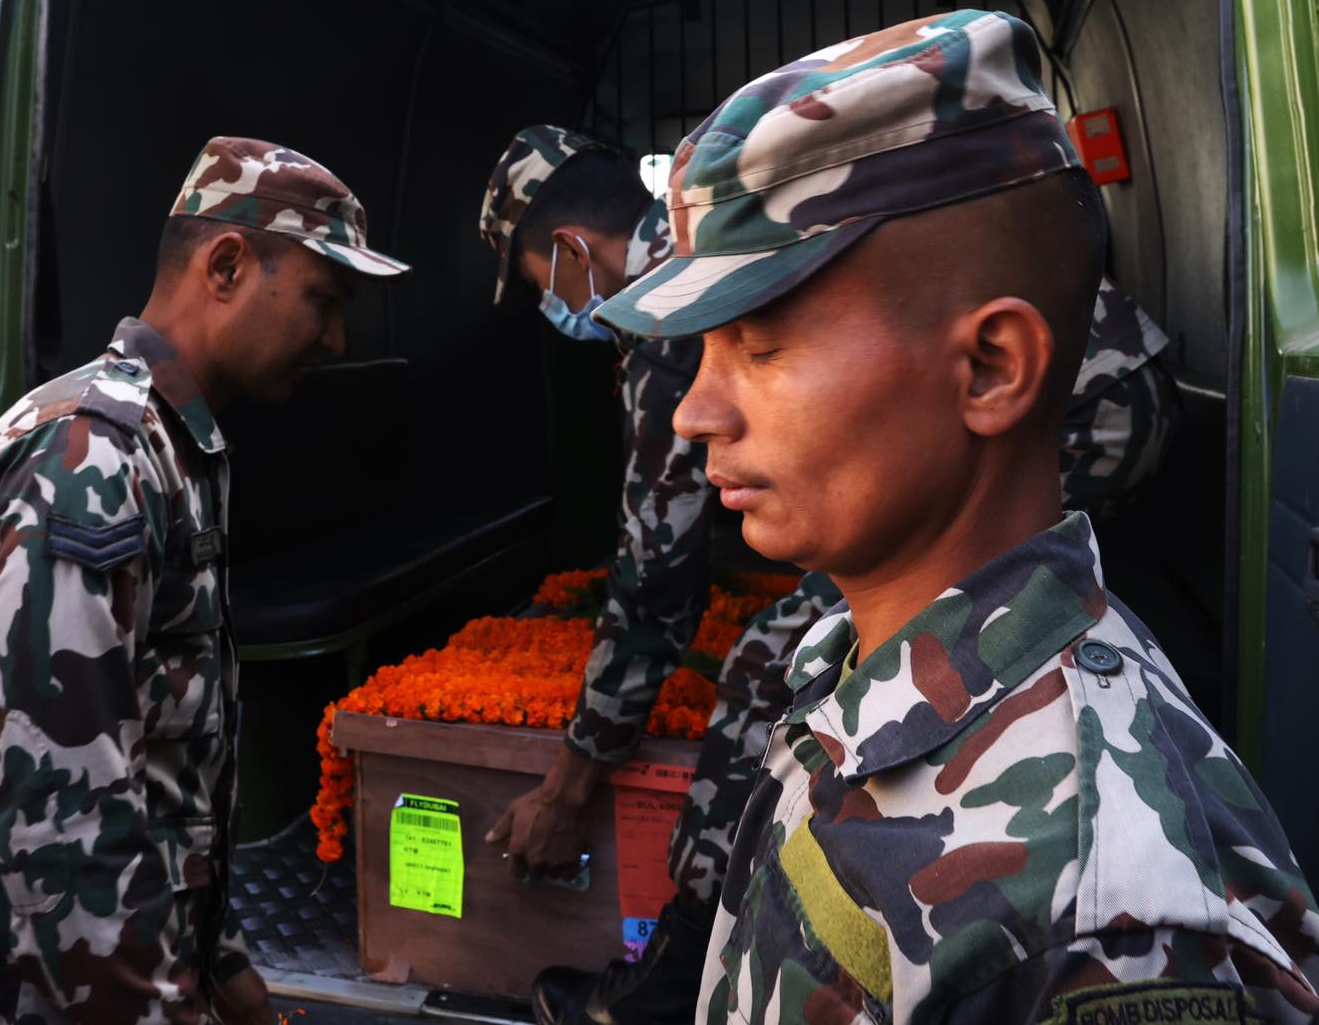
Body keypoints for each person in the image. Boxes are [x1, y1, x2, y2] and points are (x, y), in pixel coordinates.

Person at [593, 10, 1319, 1023]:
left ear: (990, 367)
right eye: (699, 354)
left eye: (758, 346)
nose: (693, 409)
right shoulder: (844, 645)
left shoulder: (1103, 926)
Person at [474, 125, 1177, 1025]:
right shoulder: (714, 250)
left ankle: (675, 971)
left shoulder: (682, 294)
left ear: (570, 250)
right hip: (1119, 376)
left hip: (1090, 408)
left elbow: (657, 580)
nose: (700, 408)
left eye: (762, 351)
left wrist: (577, 774)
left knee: (778, 653)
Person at [0, 137, 409, 1025]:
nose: (337, 337)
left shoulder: (174, 446)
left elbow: (165, 780)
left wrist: (223, 963)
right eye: (323, 300)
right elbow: (68, 820)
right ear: (227, 264)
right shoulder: (88, 456)